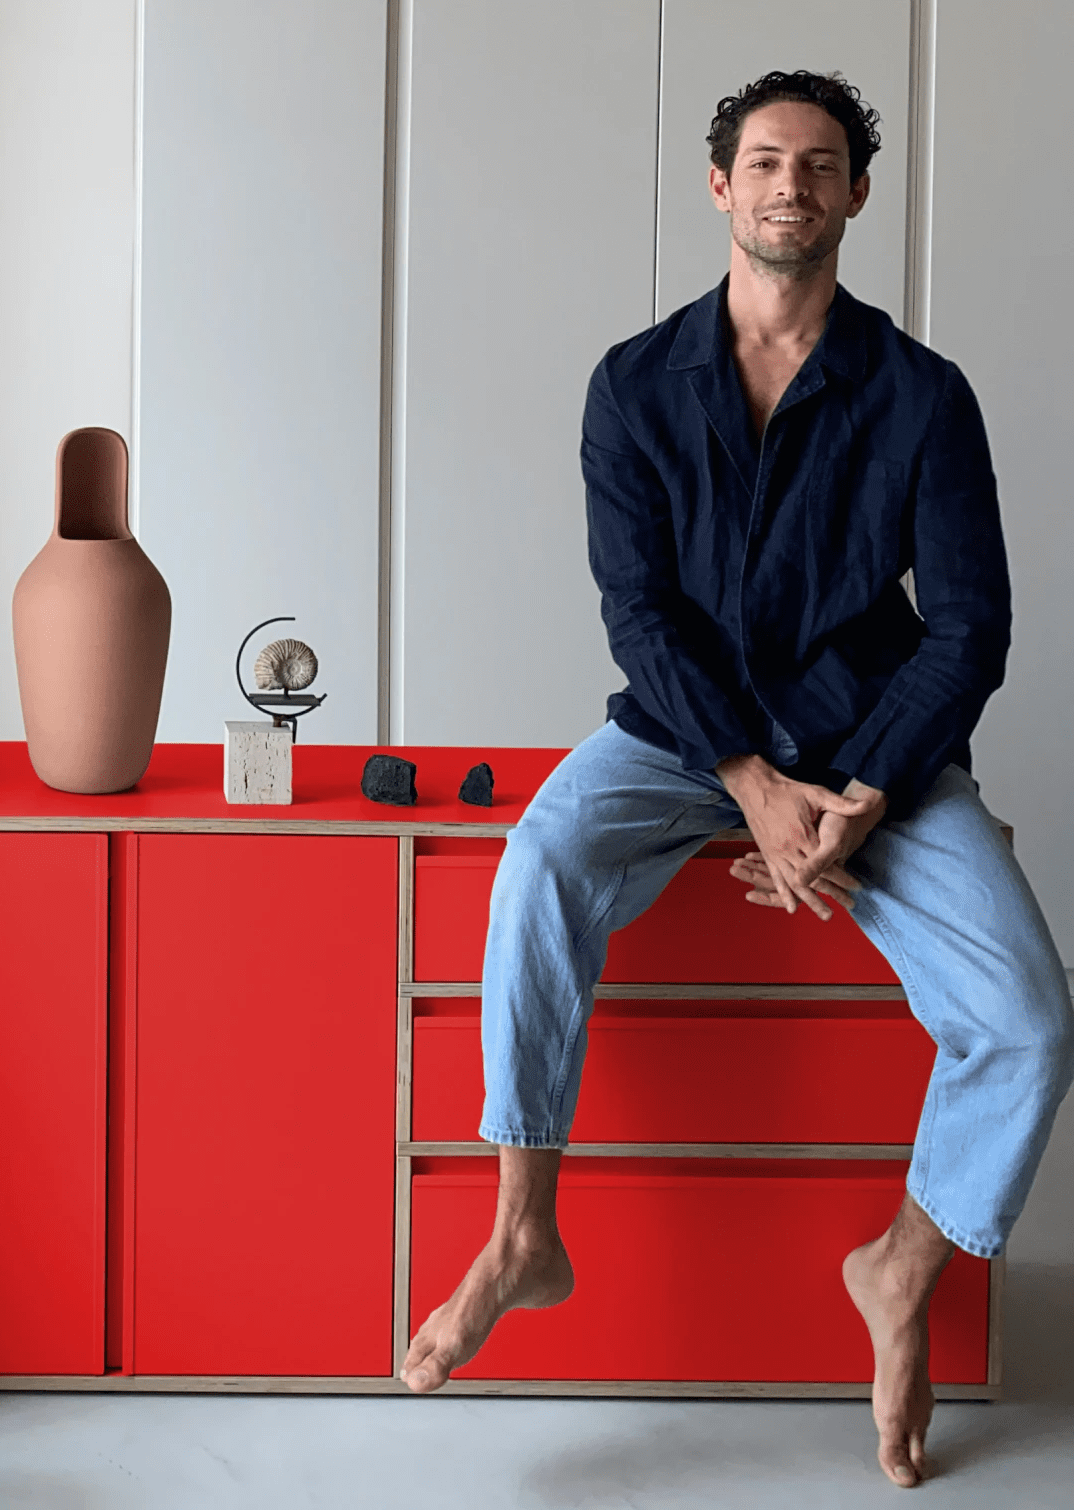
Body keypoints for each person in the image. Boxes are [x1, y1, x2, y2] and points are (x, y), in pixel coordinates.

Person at [397, 69, 1074, 1489]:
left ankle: (902, 1265)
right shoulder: (634, 384)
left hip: (876, 751)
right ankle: (524, 1228)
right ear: (720, 186)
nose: (790, 186)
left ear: (856, 196)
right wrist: (753, 782)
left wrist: (865, 792)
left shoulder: (923, 397)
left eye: (819, 165)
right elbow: (638, 611)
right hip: (683, 734)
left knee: (1029, 1017)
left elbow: (972, 627)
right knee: (540, 862)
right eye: (765, 161)